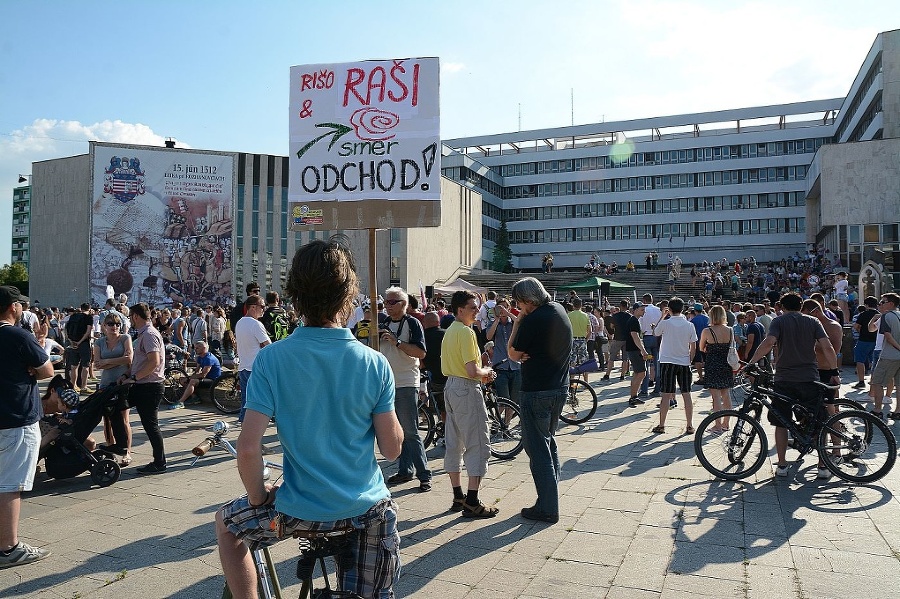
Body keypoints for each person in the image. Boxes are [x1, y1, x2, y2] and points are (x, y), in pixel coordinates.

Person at [215, 237, 403, 599]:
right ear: (349, 297)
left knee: (227, 525)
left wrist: (257, 497)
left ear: (294, 296)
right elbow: (393, 449)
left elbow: (249, 448)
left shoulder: (272, 360)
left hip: (298, 510)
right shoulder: (374, 363)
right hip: (368, 510)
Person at [747, 293, 841, 479]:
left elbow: (769, 343)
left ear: (782, 306)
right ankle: (822, 466)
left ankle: (782, 465)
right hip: (809, 377)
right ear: (800, 305)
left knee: (781, 421)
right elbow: (828, 347)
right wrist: (834, 371)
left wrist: (752, 362)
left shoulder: (779, 322)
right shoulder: (813, 322)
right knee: (818, 420)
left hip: (784, 378)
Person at [507, 278, 571, 524]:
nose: (518, 306)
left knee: (538, 450)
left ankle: (547, 507)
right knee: (549, 443)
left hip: (537, 391)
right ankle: (548, 499)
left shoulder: (533, 319)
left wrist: (519, 321)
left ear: (526, 301)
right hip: (558, 388)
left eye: (518, 303)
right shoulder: (558, 310)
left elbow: (513, 353)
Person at [0, 286, 55, 569]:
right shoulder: (16, 334)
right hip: (15, 418)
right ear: (13, 307)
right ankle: (8, 547)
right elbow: (47, 370)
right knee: (10, 485)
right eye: (21, 305)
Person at [441, 290, 498, 518]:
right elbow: (473, 371)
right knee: (478, 443)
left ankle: (458, 495)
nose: (477, 311)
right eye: (473, 307)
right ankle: (472, 501)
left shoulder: (450, 331)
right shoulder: (465, 332)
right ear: (460, 309)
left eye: (477, 307)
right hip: (465, 387)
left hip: (451, 387)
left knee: (454, 442)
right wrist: (488, 372)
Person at [379, 287, 432, 492]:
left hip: (406, 381)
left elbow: (421, 352)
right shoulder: (382, 323)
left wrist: (397, 342)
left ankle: (424, 474)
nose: (387, 306)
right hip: (386, 382)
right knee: (396, 431)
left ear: (403, 304)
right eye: (386, 302)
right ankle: (405, 470)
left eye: (392, 302)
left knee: (410, 430)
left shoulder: (412, 323)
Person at [119, 303, 168, 475]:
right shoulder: (145, 334)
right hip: (143, 384)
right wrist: (127, 375)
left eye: (131, 316)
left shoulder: (148, 334)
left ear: (136, 317)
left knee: (151, 425)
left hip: (149, 386)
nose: (130, 320)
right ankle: (119, 445)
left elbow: (153, 362)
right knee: (117, 407)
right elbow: (141, 361)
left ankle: (160, 462)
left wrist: (133, 378)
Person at [92, 312, 133, 466]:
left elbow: (129, 359)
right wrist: (118, 360)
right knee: (108, 420)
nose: (114, 326)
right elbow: (97, 364)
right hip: (105, 383)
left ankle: (127, 451)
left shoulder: (125, 338)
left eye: (117, 324)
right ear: (104, 326)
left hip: (122, 382)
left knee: (124, 419)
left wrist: (107, 361)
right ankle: (110, 449)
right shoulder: (99, 342)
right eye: (110, 324)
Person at [652, 298, 697, 434]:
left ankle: (661, 425)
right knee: (686, 394)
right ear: (682, 309)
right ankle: (689, 425)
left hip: (667, 361)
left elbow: (655, 333)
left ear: (669, 309)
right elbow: (693, 346)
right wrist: (689, 359)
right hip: (683, 362)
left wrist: (663, 316)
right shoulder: (689, 325)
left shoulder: (666, 323)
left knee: (665, 395)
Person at [234, 296, 272, 423]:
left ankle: (243, 422)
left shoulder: (240, 322)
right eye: (262, 306)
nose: (264, 309)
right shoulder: (256, 324)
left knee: (246, 399)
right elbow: (269, 346)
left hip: (244, 366)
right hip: (255, 367)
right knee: (259, 399)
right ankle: (250, 425)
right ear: (253, 307)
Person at [698, 305, 734, 432]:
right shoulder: (730, 330)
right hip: (726, 364)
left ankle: (717, 424)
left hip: (713, 364)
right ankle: (726, 423)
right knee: (726, 394)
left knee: (716, 397)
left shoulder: (707, 331)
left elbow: (701, 348)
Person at [486, 297, 522, 406]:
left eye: (505, 307)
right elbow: (489, 336)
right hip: (501, 366)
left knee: (514, 400)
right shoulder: (493, 323)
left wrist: (508, 314)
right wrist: (497, 319)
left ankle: (506, 423)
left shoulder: (513, 322)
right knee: (504, 399)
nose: (502, 310)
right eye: (500, 308)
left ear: (509, 308)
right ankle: (499, 421)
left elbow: (521, 323)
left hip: (516, 365)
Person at [869, 293, 900, 419]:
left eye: (882, 302)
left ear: (890, 304)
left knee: (877, 382)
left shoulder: (886, 316)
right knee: (899, 384)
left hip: (889, 355)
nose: (879, 304)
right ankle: (898, 411)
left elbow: (887, 335)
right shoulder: (898, 315)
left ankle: (877, 410)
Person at [176, 341, 222, 406]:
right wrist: (187, 378)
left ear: (203, 348)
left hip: (213, 380)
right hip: (206, 378)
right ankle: (195, 398)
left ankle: (180, 402)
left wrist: (189, 378)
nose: (195, 350)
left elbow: (203, 375)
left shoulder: (209, 358)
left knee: (192, 381)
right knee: (182, 379)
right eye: (195, 348)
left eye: (197, 348)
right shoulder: (200, 357)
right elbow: (197, 371)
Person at [625, 303, 653, 408]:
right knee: (642, 373)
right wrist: (643, 350)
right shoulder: (634, 321)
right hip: (635, 350)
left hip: (633, 349)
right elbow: (635, 336)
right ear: (636, 310)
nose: (644, 312)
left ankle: (633, 396)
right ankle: (633, 397)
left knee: (637, 373)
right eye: (642, 310)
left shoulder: (634, 320)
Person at [852, 296, 880, 389]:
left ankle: (861, 381)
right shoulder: (879, 315)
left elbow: (856, 326)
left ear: (866, 305)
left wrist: (861, 331)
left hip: (863, 340)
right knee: (874, 361)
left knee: (860, 360)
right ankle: (873, 381)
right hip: (876, 341)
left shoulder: (863, 314)